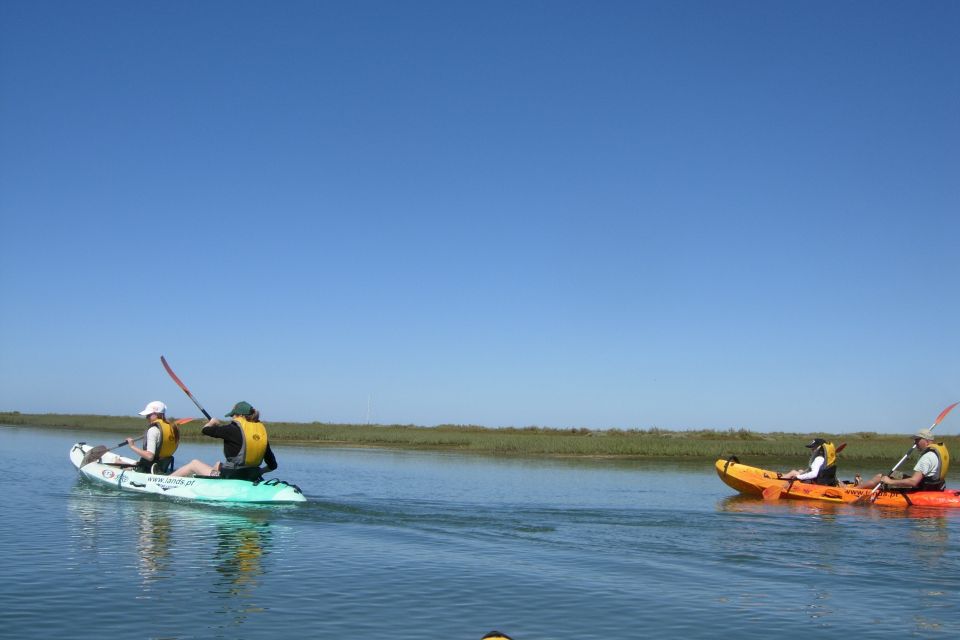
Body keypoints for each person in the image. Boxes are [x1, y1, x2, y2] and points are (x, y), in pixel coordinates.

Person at [170, 401, 278, 480]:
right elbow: (273, 465)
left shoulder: (231, 429)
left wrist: (212, 422)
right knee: (218, 464)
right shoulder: (260, 434)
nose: (232, 418)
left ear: (239, 415)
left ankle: (164, 481)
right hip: (252, 474)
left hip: (231, 475)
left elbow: (205, 430)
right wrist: (259, 472)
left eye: (233, 415)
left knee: (194, 464)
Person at [859, 428, 950, 491]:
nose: (915, 443)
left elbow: (913, 482)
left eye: (917, 440)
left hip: (920, 488)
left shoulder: (926, 458)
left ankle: (853, 490)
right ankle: (861, 485)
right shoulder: (935, 453)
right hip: (933, 486)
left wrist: (890, 481)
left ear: (926, 441)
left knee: (880, 478)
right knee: (890, 473)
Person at [127, 400, 180, 474]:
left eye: (148, 415)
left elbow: (149, 456)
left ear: (155, 414)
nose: (146, 417)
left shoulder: (153, 430)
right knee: (134, 464)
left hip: (149, 469)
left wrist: (132, 446)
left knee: (125, 467)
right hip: (163, 466)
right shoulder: (173, 428)